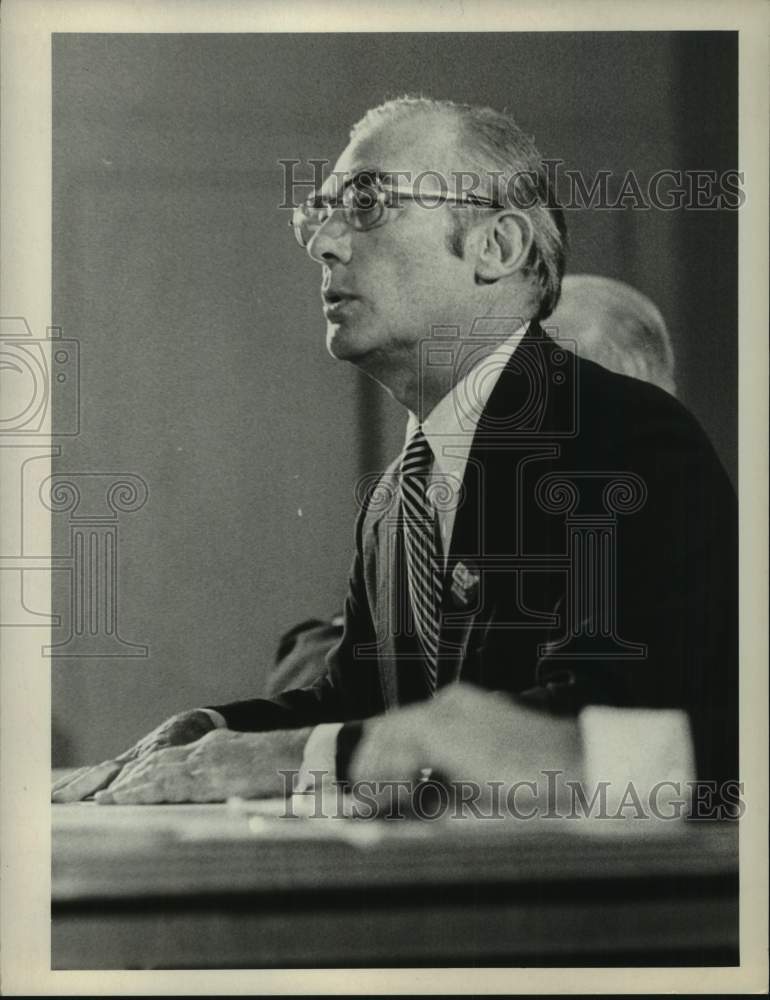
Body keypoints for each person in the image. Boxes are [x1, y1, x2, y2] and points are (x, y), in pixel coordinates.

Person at [52, 97, 737, 808]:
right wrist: (206, 734)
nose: (325, 242)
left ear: (496, 248)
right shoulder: (397, 495)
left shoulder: (626, 436)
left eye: (370, 202)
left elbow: (613, 728)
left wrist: (293, 755)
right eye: (319, 212)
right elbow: (357, 704)